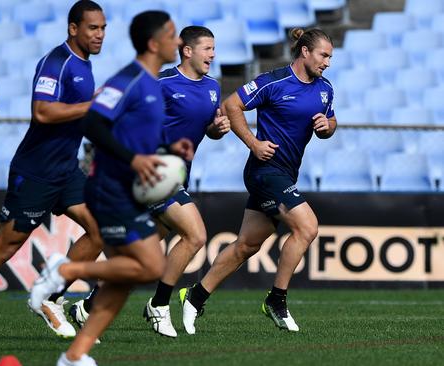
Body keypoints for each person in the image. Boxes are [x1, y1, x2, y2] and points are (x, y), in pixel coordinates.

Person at [0, 0, 106, 354]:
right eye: (92, 28)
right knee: (4, 248)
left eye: (103, 28)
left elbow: (76, 118)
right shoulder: (56, 62)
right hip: (36, 172)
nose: (99, 35)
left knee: (101, 227)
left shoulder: (85, 66)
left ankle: (50, 297)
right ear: (73, 28)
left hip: (66, 169)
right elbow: (42, 112)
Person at [30, 10, 193, 366]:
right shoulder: (131, 79)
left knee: (124, 281)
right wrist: (134, 161)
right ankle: (65, 271)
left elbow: (132, 138)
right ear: (153, 43)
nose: (178, 41)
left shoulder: (151, 83)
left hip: (129, 191)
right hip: (110, 189)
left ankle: (75, 356)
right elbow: (94, 122)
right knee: (149, 268)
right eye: (171, 34)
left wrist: (168, 152)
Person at [67, 25, 230, 338]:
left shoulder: (212, 87)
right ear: (187, 50)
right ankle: (159, 304)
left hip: (177, 174)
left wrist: (216, 128)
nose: (213, 54)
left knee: (139, 259)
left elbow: (204, 127)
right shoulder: (163, 82)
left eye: (214, 48)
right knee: (195, 235)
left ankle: (87, 308)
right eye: (207, 48)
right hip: (152, 174)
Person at [179, 27, 337, 334]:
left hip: (286, 173)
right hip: (264, 171)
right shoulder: (274, 81)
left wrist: (326, 126)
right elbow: (231, 105)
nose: (327, 62)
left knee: (246, 245)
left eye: (330, 56)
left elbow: (331, 121)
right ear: (305, 52)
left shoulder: (325, 88)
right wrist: (253, 143)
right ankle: (277, 300)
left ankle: (194, 297)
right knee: (307, 227)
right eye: (324, 55)